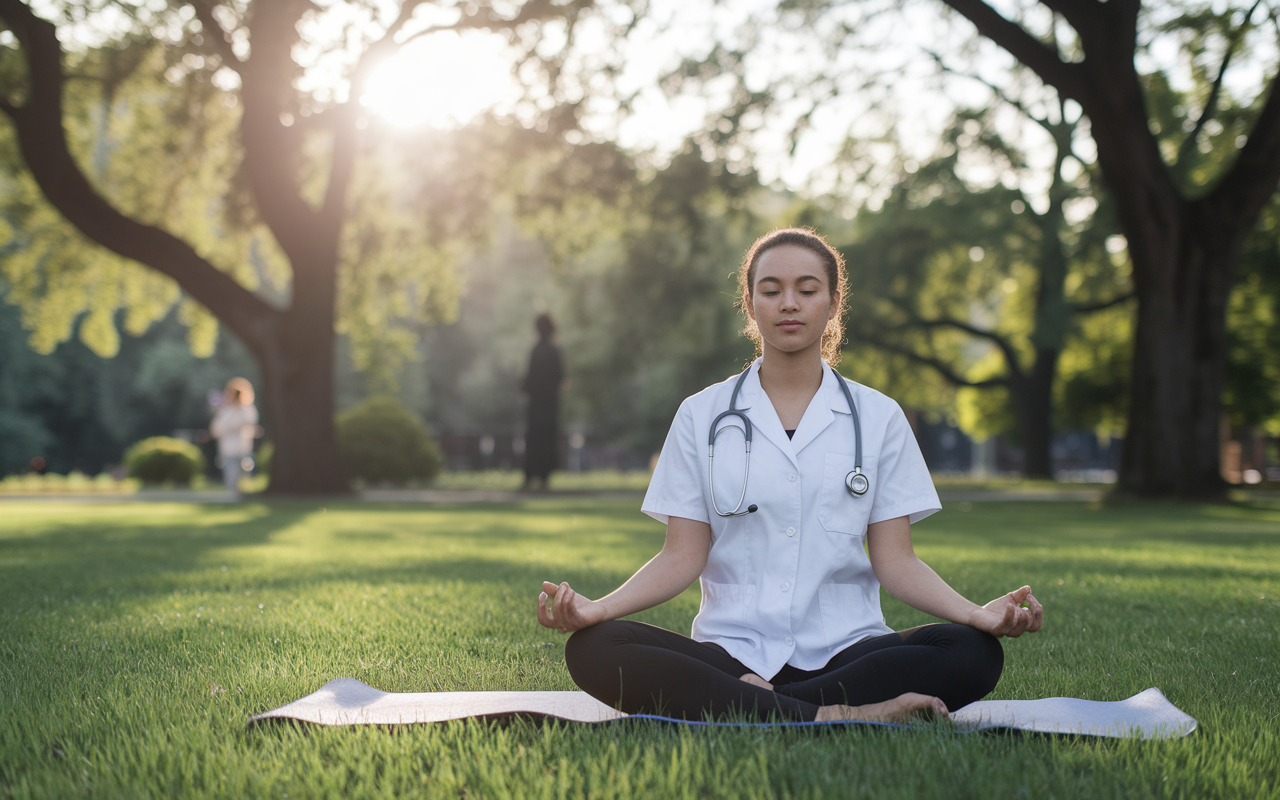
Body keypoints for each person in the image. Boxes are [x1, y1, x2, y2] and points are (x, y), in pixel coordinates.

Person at [537, 228, 1043, 723]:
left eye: (807, 289)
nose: (789, 304)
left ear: (832, 302)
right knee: (596, 648)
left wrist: (976, 614)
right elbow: (682, 554)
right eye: (771, 290)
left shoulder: (879, 416)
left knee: (970, 651)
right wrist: (598, 610)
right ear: (750, 302)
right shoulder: (701, 414)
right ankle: (839, 713)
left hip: (847, 651)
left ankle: (753, 706)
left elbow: (897, 561)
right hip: (732, 651)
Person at [521, 313, 564, 491]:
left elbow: (529, 381)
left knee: (534, 440)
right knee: (547, 440)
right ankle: (544, 477)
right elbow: (560, 378)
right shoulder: (554, 351)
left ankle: (530, 476)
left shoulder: (536, 351)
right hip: (550, 405)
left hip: (536, 406)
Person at [209, 377, 259, 500]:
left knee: (244, 474)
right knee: (231, 474)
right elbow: (216, 428)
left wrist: (228, 427)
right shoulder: (226, 411)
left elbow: (247, 422)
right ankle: (234, 496)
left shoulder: (246, 409)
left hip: (242, 447)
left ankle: (243, 496)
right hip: (228, 448)